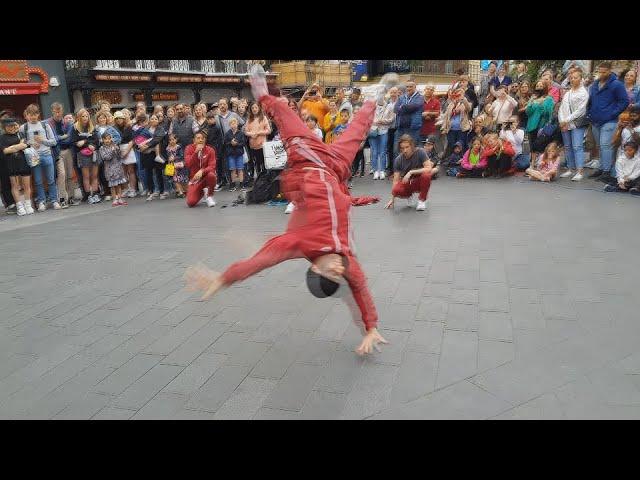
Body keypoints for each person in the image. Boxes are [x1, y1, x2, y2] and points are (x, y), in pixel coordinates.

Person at [185, 66, 392, 356]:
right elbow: (360, 291)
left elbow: (259, 263)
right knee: (357, 132)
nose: (335, 270)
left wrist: (222, 279)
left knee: (287, 116)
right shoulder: (349, 263)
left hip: (306, 159)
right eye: (337, 276)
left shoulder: (299, 243)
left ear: (313, 267)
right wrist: (370, 326)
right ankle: (373, 96)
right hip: (335, 169)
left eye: (326, 274)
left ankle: (260, 92)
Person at [587, 62, 630, 180]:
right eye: (599, 72)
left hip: (609, 121)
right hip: (595, 120)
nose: (601, 74)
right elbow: (591, 100)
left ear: (610, 71)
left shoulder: (617, 84)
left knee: (606, 145)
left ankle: (606, 171)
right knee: (600, 146)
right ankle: (601, 169)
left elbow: (624, 101)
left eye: (604, 72)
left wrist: (612, 113)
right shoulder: (595, 84)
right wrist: (589, 113)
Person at [20, 104, 60, 211]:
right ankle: (41, 201)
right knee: (38, 181)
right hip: (34, 156)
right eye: (30, 114)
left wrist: (43, 141)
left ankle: (54, 200)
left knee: (51, 179)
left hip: (47, 154)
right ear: (27, 115)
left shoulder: (45, 125)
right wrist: (31, 143)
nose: (33, 117)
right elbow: (21, 143)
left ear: (38, 114)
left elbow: (54, 141)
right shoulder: (23, 127)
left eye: (35, 114)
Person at [385, 134, 433, 211]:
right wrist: (392, 199)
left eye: (407, 147)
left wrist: (411, 172)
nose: (405, 150)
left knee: (426, 175)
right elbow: (395, 180)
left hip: (419, 180)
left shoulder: (420, 152)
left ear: (412, 146)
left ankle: (422, 200)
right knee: (396, 190)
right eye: (402, 148)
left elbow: (429, 168)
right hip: (407, 182)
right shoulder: (398, 160)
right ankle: (408, 195)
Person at [558, 69, 589, 181]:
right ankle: (570, 169)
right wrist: (562, 120)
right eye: (571, 77)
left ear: (581, 79)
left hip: (576, 124)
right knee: (567, 147)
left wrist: (566, 120)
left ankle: (579, 171)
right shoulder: (568, 92)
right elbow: (562, 107)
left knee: (577, 146)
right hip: (565, 124)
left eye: (575, 77)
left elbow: (581, 110)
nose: (572, 79)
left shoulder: (583, 93)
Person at [0, 117, 33, 215]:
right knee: (15, 186)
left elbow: (26, 145)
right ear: (4, 127)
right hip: (11, 164)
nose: (11, 128)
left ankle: (28, 205)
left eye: (12, 125)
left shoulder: (20, 134)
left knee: (26, 185)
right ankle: (19, 206)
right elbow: (5, 151)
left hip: (23, 162)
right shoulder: (2, 138)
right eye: (8, 126)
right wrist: (18, 146)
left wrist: (13, 147)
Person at [46, 102, 74, 208]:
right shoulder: (48, 123)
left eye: (59, 111)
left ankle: (71, 197)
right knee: (62, 175)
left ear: (62, 111)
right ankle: (62, 199)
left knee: (70, 175)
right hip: (56, 153)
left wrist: (58, 138)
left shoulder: (68, 123)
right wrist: (62, 137)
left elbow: (69, 139)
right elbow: (51, 139)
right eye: (56, 111)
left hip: (68, 151)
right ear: (52, 111)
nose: (58, 114)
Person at [71, 108, 100, 204]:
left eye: (86, 116)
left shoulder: (93, 127)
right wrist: (87, 143)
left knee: (94, 175)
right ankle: (88, 195)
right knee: (86, 176)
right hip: (82, 154)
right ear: (79, 117)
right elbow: (75, 142)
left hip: (94, 153)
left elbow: (96, 140)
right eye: (82, 116)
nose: (85, 118)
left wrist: (85, 142)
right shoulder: (75, 128)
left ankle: (95, 194)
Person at [526, 81, 555, 166]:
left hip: (542, 126)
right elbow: (528, 112)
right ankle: (532, 165)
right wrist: (530, 103)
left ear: (545, 87)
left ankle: (543, 165)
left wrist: (542, 105)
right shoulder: (533, 98)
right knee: (533, 147)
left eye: (541, 86)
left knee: (542, 146)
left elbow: (548, 114)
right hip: (531, 126)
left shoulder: (549, 99)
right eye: (537, 86)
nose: (538, 87)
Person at [184, 131, 216, 207]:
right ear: (194, 140)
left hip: (206, 176)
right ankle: (203, 192)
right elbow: (188, 164)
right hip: (194, 179)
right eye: (198, 138)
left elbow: (212, 166)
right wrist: (196, 152)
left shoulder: (210, 150)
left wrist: (202, 171)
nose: (201, 140)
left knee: (211, 175)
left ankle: (209, 196)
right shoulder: (188, 148)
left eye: (203, 138)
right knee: (191, 203)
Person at [139, 114, 167, 201]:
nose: (154, 120)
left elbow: (157, 139)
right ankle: (151, 192)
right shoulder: (145, 129)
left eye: (156, 119)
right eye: (152, 118)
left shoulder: (161, 129)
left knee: (159, 173)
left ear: (158, 121)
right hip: (147, 155)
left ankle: (162, 191)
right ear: (149, 120)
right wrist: (140, 146)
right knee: (148, 173)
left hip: (157, 154)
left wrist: (147, 145)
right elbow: (139, 140)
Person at [368, 95, 395, 180]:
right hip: (373, 130)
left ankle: (382, 170)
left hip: (384, 130)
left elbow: (392, 118)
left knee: (383, 151)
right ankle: (375, 170)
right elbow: (367, 118)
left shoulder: (389, 106)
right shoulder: (372, 107)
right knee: (374, 151)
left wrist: (383, 121)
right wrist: (374, 122)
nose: (380, 97)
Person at [98, 131, 128, 206]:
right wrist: (112, 151)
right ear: (102, 140)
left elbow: (119, 156)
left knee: (118, 185)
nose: (107, 140)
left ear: (111, 139)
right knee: (113, 186)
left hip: (117, 168)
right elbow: (105, 157)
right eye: (105, 139)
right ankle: (114, 199)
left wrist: (118, 150)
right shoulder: (102, 148)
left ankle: (120, 198)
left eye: (109, 138)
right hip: (110, 169)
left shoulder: (114, 145)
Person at [441, 87, 472, 158]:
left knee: (461, 145)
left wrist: (463, 99)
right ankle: (453, 159)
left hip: (461, 129)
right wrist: (443, 128)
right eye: (457, 94)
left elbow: (469, 108)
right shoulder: (451, 104)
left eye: (460, 94)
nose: (458, 96)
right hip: (451, 129)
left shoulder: (466, 103)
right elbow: (446, 117)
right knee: (452, 145)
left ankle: (462, 159)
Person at [394, 81, 424, 148]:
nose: (408, 88)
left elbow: (414, 107)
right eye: (407, 87)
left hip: (413, 128)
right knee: (397, 148)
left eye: (411, 87)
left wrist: (402, 107)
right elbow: (395, 109)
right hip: (400, 128)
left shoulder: (420, 98)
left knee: (411, 148)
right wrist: (406, 108)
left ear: (415, 87)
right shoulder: (401, 97)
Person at [223, 117, 247, 192]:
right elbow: (225, 143)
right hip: (231, 154)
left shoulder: (241, 133)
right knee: (232, 169)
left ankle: (242, 184)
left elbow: (243, 143)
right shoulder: (227, 133)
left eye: (235, 123)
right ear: (229, 125)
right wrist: (231, 143)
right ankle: (232, 184)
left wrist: (236, 144)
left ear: (237, 124)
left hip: (239, 154)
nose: (233, 125)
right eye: (231, 124)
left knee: (240, 169)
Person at [165, 133, 187, 198]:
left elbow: (181, 155)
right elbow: (168, 156)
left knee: (181, 178)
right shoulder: (167, 148)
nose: (172, 141)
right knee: (175, 179)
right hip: (171, 165)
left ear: (176, 140)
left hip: (179, 164)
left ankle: (183, 190)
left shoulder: (178, 147)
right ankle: (179, 192)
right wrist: (169, 160)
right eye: (170, 140)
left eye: (173, 139)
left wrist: (175, 158)